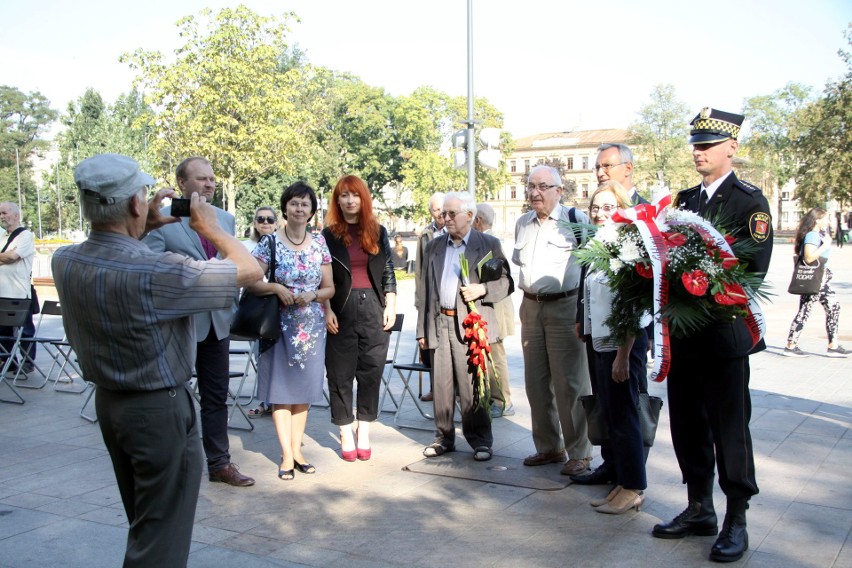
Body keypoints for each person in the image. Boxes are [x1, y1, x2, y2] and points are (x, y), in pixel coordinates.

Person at [52, 153, 262, 567]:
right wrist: (212, 229)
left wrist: (140, 225)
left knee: (145, 523)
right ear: (135, 204)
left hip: (110, 405)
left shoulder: (65, 259)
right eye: (143, 196)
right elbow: (249, 268)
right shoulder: (155, 270)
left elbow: (110, 253)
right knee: (160, 541)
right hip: (158, 409)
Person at [652, 108, 773, 563]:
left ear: (732, 148)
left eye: (708, 145)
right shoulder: (683, 201)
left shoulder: (749, 203)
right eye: (696, 144)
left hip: (723, 338)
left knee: (729, 427)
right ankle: (699, 507)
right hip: (685, 337)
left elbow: (751, 271)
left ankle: (735, 517)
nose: (699, 152)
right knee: (687, 424)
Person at [143, 156, 255, 487]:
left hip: (217, 322)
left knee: (216, 395)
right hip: (179, 323)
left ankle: (220, 463)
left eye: (212, 178)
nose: (209, 184)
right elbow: (152, 267)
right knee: (172, 394)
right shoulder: (162, 220)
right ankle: (170, 464)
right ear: (182, 183)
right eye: (201, 179)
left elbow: (234, 262)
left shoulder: (225, 219)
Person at [572, 143, 650, 486]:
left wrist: (624, 348)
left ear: (627, 168)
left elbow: (638, 294)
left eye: (607, 165)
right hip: (598, 332)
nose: (601, 171)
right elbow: (586, 280)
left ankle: (631, 477)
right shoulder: (598, 235)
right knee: (607, 404)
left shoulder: (641, 220)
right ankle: (612, 467)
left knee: (627, 407)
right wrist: (581, 316)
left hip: (625, 337)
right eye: (597, 167)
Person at [246, 182, 334, 479]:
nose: (299, 209)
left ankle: (297, 450)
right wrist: (274, 287)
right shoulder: (269, 242)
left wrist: (314, 295)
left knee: (303, 393)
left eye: (305, 205)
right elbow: (250, 280)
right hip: (278, 326)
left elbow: (330, 287)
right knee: (281, 393)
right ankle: (286, 455)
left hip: (311, 325)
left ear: (311, 212)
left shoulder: (320, 243)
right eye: (294, 203)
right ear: (285, 207)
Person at [417, 192, 512, 461]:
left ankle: (481, 440)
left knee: (473, 383)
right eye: (442, 214)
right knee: (442, 385)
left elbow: (506, 283)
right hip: (440, 323)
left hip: (471, 325)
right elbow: (426, 291)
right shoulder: (435, 246)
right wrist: (422, 331)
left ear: (469, 216)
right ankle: (443, 437)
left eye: (450, 214)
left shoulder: (488, 243)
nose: (444, 218)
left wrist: (482, 288)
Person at [513, 164, 593, 476]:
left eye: (543, 186)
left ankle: (580, 452)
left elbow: (591, 266)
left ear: (559, 191)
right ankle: (548, 447)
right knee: (535, 383)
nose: (535, 193)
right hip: (531, 307)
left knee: (570, 383)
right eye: (531, 186)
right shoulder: (523, 223)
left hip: (565, 307)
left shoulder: (576, 221)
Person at [323, 174, 396, 461]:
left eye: (354, 195)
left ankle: (363, 429)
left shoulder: (377, 231)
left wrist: (390, 303)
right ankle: (344, 429)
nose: (350, 200)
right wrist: (326, 309)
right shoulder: (328, 235)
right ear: (337, 200)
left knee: (371, 370)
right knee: (340, 373)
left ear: (363, 198)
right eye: (344, 195)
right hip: (341, 308)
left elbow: (388, 268)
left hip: (374, 307)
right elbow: (322, 277)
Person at [783, 207, 848, 358]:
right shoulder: (812, 235)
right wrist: (825, 245)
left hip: (821, 278)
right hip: (815, 279)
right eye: (825, 218)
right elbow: (809, 258)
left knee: (833, 306)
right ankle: (790, 346)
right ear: (817, 220)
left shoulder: (819, 234)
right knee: (805, 310)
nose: (828, 221)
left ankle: (833, 345)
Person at [473, 203, 515, 418]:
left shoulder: (490, 242)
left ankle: (502, 400)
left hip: (495, 307)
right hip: (492, 306)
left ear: (477, 220)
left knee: (495, 355)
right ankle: (494, 398)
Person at [246, 205, 279, 418]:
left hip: (279, 306)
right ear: (254, 223)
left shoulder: (281, 243)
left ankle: (278, 401)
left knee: (280, 356)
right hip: (256, 308)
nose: (265, 222)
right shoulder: (245, 246)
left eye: (269, 219)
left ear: (277, 223)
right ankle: (266, 401)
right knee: (262, 356)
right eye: (261, 219)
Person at [0, 202, 37, 374]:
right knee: (3, 331)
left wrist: (8, 257)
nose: (2, 216)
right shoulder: (2, 236)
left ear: (16, 215)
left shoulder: (25, 235)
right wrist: (5, 257)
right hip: (2, 293)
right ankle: (8, 361)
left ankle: (28, 362)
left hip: (19, 294)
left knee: (25, 330)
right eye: (0, 213)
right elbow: (7, 257)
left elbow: (13, 257)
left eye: (5, 212)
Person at [415, 191, 445, 402]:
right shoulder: (426, 234)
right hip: (430, 297)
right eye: (436, 210)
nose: (440, 214)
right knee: (430, 346)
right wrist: (419, 299)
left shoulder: (456, 229)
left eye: (443, 209)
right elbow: (419, 269)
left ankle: (458, 391)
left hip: (451, 296)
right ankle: (435, 388)